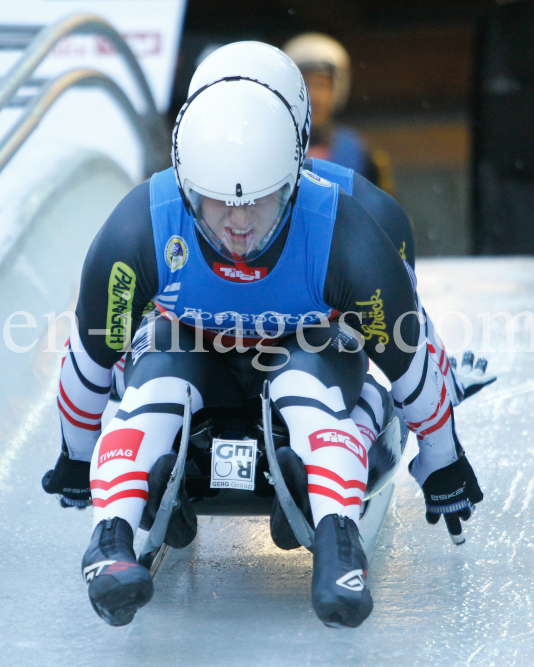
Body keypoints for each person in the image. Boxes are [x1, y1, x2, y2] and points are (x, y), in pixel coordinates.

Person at [42, 43, 485, 629]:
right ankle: (112, 537)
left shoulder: (350, 229)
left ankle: (336, 539)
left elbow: (407, 356)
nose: (239, 223)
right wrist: (74, 456)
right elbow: (92, 353)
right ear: (185, 178)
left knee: (310, 386)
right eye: (218, 201)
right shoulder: (139, 229)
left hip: (309, 359)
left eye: (259, 200)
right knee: (154, 380)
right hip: (190, 354)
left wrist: (442, 460)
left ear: (295, 173)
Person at [283, 33, 387, 190]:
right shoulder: (271, 151)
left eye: (322, 85)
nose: (315, 97)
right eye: (306, 86)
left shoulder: (361, 153)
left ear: (337, 90)